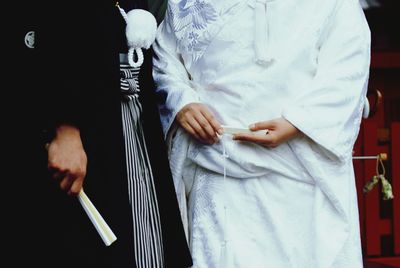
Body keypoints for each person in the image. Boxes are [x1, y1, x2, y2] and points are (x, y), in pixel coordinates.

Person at [152, 0, 371, 267]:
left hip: (300, 167)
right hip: (216, 162)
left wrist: (297, 123)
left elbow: (348, 66)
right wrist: (182, 102)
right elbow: (164, 59)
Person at [14, 0, 192, 267]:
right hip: (85, 130)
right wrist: (65, 127)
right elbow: (48, 31)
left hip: (135, 127)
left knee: (144, 241)